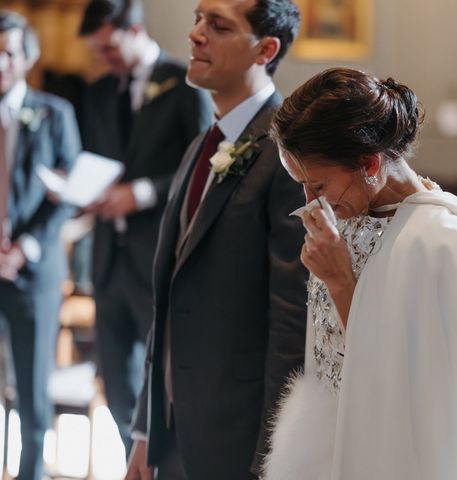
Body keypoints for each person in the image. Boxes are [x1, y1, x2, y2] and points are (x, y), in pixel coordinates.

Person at [264, 67, 457, 480]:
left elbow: (423, 399)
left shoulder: (442, 244)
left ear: (370, 163)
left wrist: (340, 282)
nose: (309, 201)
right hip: (332, 449)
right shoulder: (353, 218)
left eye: (317, 186)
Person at [125, 0, 307, 478]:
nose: (195, 35)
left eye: (218, 25)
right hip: (172, 431)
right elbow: (169, 297)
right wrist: (145, 430)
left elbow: (293, 319)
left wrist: (273, 455)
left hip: (236, 438)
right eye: (198, 19)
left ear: (265, 49)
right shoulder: (200, 147)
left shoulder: (289, 156)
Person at [78, 0, 213, 453]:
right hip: (107, 259)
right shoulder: (99, 93)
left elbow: (201, 167)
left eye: (111, 49)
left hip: (158, 253)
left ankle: (164, 463)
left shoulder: (184, 85)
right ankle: (132, 461)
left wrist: (142, 193)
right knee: (115, 381)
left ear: (135, 30)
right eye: (99, 52)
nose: (106, 60)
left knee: (161, 375)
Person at [0, 11, 81, 480]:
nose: (0, 62)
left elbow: (69, 196)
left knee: (31, 391)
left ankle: (32, 474)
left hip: (32, 273)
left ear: (27, 57)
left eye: (8, 53)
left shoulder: (54, 113)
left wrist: (24, 247)